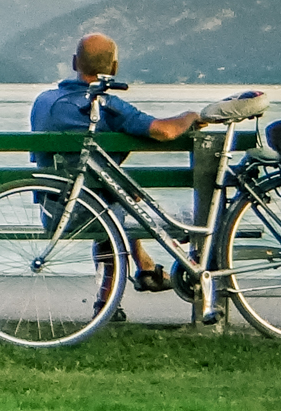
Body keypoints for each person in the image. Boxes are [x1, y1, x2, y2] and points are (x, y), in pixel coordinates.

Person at [31, 33, 201, 292]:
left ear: (75, 62)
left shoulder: (43, 101)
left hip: (52, 210)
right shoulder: (108, 106)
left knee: (116, 201)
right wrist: (189, 117)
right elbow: (164, 131)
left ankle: (142, 271)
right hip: (92, 212)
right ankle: (203, 291)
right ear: (113, 68)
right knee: (195, 217)